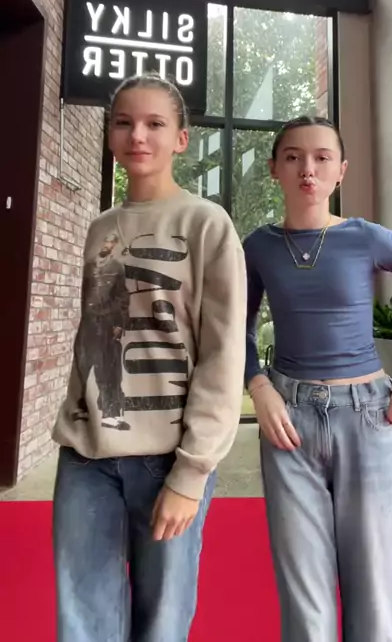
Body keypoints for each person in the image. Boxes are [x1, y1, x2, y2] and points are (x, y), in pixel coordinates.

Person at [244, 115, 392, 642]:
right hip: (288, 424)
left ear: (341, 170)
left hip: (370, 418)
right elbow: (235, 326)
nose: (308, 169)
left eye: (322, 157)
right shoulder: (258, 246)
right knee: (305, 606)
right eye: (293, 157)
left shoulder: (365, 237)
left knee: (378, 599)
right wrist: (258, 387)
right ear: (274, 169)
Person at [52, 73, 247, 642]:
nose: (137, 135)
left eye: (154, 123)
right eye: (124, 122)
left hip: (167, 457)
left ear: (181, 139)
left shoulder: (206, 224)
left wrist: (192, 471)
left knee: (161, 621)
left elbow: (223, 353)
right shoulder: (100, 229)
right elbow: (93, 339)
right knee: (81, 621)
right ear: (110, 134)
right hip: (86, 458)